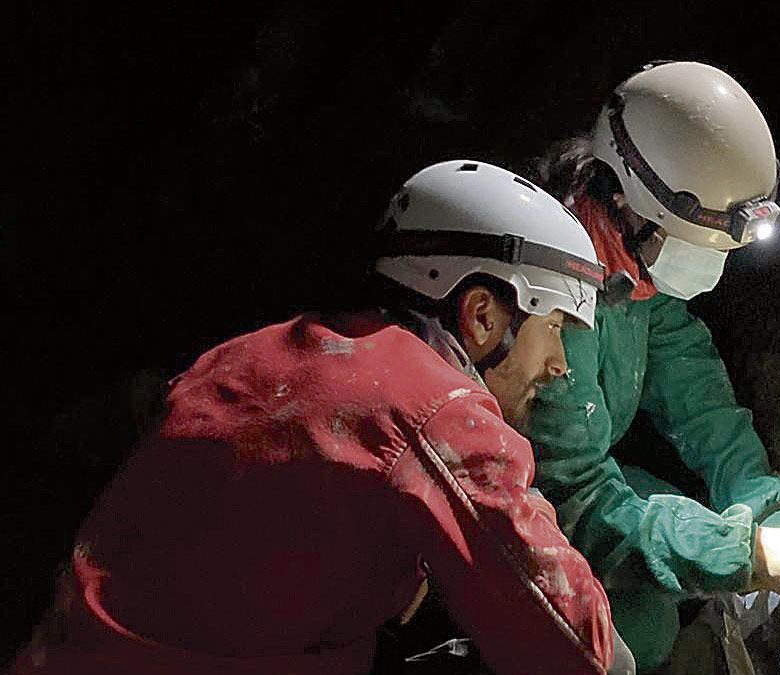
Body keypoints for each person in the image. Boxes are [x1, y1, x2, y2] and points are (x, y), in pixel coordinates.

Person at [8, 160, 632, 675]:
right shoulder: (440, 414)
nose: (557, 365)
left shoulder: (255, 352)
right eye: (551, 329)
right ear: (482, 315)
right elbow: (574, 650)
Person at [527, 62, 780, 673]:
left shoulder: (634, 273)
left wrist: (765, 510)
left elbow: (699, 401)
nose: (708, 266)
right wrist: (751, 556)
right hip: (519, 505)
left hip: (584, 479)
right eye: (699, 242)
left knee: (707, 528)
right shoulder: (544, 303)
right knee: (640, 626)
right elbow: (577, 504)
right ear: (630, 207)